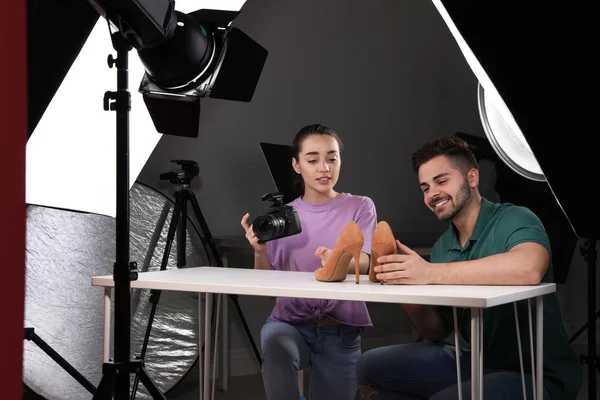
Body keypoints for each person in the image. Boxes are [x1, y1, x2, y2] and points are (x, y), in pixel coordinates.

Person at [356, 136, 581, 400]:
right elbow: (437, 330)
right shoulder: (443, 246)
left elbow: (529, 268)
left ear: (472, 178)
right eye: (425, 188)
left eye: (441, 181)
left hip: (536, 375)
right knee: (369, 366)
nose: (432, 194)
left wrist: (429, 273)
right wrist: (410, 298)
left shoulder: (514, 218)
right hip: (475, 363)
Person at [241, 123, 377, 400]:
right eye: (313, 160)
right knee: (276, 346)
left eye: (332, 158)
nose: (324, 168)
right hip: (289, 324)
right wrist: (259, 251)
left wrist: (335, 261)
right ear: (297, 165)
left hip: (341, 331)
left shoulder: (360, 206)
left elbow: (366, 262)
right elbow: (269, 295)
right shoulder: (283, 217)